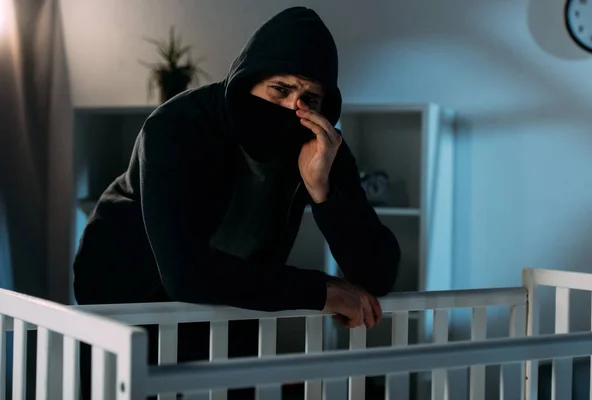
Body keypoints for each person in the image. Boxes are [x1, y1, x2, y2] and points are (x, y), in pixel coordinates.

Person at [73, 6, 400, 399]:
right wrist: (321, 291)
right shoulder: (177, 127)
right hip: (128, 291)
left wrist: (322, 190)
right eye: (280, 89)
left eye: (309, 98)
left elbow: (378, 273)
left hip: (234, 294)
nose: (292, 108)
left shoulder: (322, 145)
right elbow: (185, 273)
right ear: (248, 81)